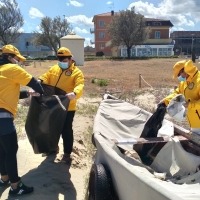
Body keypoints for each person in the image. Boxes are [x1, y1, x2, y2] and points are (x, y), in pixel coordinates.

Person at [0, 44, 44, 195]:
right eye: (17, 59)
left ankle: (4, 178)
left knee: (2, 150)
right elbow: (35, 83)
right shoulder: (12, 69)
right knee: (11, 151)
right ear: (10, 57)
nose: (18, 62)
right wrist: (42, 93)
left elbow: (10, 94)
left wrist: (29, 94)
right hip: (3, 119)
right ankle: (15, 186)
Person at [38, 47, 84, 163]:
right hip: (54, 104)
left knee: (66, 130)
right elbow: (46, 76)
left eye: (64, 60)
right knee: (52, 128)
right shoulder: (54, 68)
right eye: (60, 60)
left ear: (70, 59)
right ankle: (52, 149)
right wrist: (40, 80)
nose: (62, 63)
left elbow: (80, 85)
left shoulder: (76, 72)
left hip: (68, 106)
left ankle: (67, 154)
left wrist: (75, 93)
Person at [159, 59, 200, 134]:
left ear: (183, 71)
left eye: (178, 74)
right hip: (194, 122)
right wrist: (165, 101)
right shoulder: (185, 82)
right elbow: (177, 93)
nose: (179, 77)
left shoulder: (198, 80)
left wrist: (190, 105)